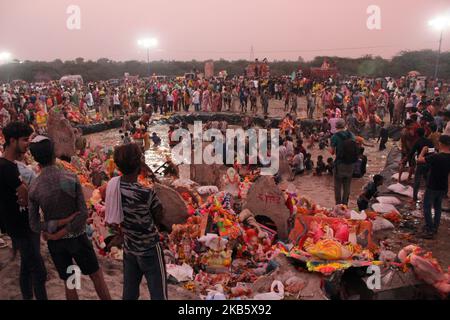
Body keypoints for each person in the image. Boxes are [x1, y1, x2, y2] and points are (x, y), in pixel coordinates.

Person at [28, 137, 111, 300]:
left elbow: (35, 224)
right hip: (77, 238)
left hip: (56, 244)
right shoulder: (69, 178)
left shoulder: (34, 188)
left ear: (36, 159)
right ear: (54, 154)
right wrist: (66, 225)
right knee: (96, 276)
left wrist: (56, 229)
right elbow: (83, 213)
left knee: (70, 280)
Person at [106, 144, 167, 299]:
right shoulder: (146, 193)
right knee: (159, 294)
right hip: (150, 250)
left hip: (129, 247)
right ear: (139, 165)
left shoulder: (114, 187)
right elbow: (159, 215)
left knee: (129, 292)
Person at [0, 122, 48, 300]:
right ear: (12, 141)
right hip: (21, 226)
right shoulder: (7, 168)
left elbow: (25, 194)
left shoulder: (9, 166)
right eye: (25, 139)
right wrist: (27, 194)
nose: (28, 143)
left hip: (23, 224)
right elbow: (26, 195)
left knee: (27, 268)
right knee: (39, 270)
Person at [417, 135, 450, 239]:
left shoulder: (436, 157)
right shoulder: (445, 156)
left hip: (432, 185)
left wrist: (423, 150)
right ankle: (435, 227)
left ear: (441, 143)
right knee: (438, 207)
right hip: (443, 186)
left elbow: (419, 160)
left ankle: (429, 228)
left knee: (426, 206)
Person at [330, 119, 357, 205]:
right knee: (347, 186)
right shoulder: (351, 134)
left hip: (340, 164)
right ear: (344, 126)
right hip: (351, 164)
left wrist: (328, 148)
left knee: (337, 186)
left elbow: (332, 152)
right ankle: (345, 206)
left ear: (336, 127)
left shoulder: (335, 137)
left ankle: (338, 206)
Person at [409, 127, 434, 203]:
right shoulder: (429, 141)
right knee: (427, 180)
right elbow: (433, 151)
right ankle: (429, 197)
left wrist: (410, 162)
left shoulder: (417, 142)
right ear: (424, 133)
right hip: (428, 162)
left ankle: (414, 198)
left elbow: (412, 152)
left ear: (417, 134)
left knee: (417, 181)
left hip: (420, 163)